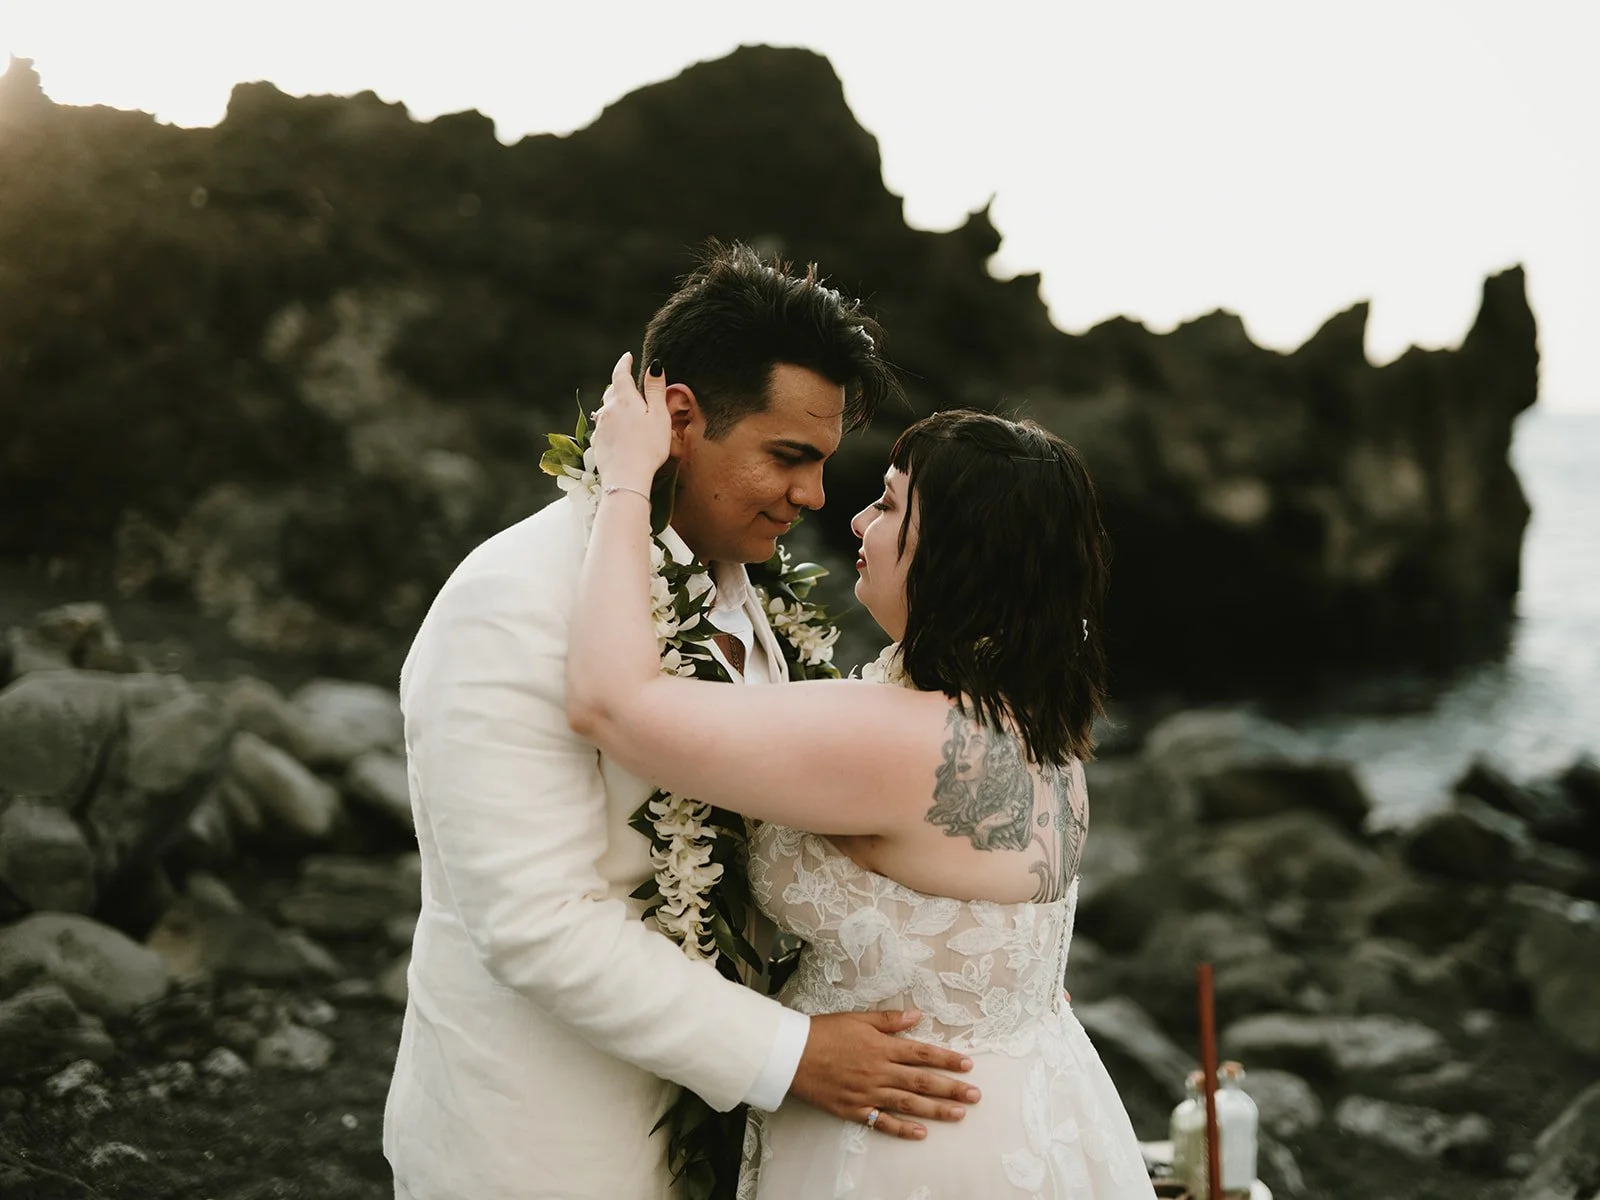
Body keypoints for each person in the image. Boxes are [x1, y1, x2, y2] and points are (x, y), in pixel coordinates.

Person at [383, 244, 983, 1200]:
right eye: (788, 457)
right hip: (546, 1148)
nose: (816, 497)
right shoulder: (508, 602)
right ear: (677, 418)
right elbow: (533, 922)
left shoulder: (751, 598)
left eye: (825, 463)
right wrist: (794, 1056)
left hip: (725, 1142)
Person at [567, 355, 1159, 1199]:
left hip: (907, 1146)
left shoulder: (894, 737)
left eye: (887, 505)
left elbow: (610, 706)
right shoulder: (1040, 720)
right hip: (1030, 1106)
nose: (854, 520)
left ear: (952, 555)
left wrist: (627, 479)